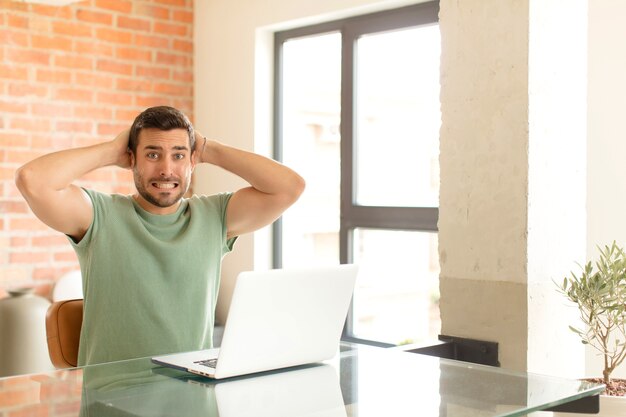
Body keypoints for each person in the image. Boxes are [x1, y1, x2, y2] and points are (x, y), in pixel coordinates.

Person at [15, 106, 305, 366]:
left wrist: (208, 149)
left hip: (191, 398)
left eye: (178, 155)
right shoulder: (99, 216)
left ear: (192, 160)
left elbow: (289, 187)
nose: (166, 170)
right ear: (131, 159)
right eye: (153, 154)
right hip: (113, 401)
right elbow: (32, 180)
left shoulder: (214, 216)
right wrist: (110, 150)